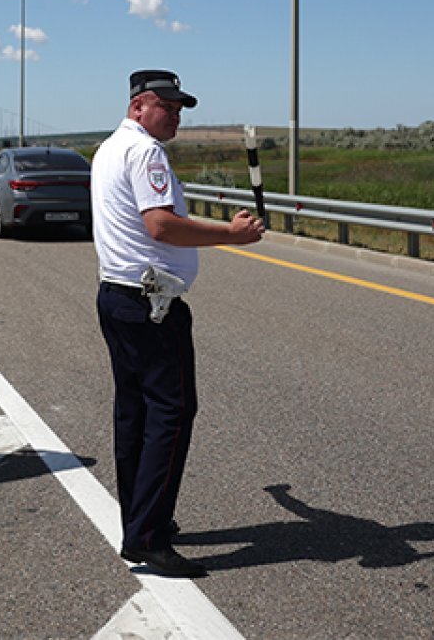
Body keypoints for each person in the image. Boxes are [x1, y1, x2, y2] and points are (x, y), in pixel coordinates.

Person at [91, 69, 265, 577]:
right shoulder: (145, 152)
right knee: (172, 412)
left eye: (180, 108)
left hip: (119, 296)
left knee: (136, 414)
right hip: (152, 305)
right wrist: (231, 235)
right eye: (168, 107)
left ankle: (140, 520)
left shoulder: (108, 149)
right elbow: (160, 224)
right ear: (139, 105)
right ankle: (148, 534)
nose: (177, 116)